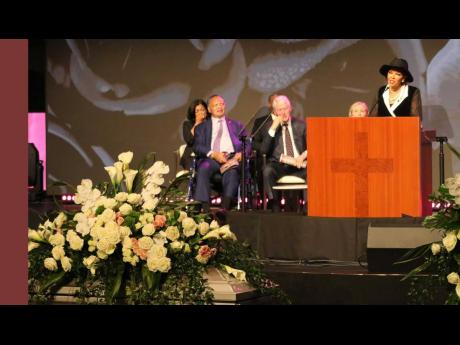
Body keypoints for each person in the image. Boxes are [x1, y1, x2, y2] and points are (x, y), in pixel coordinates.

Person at [193, 95, 251, 212]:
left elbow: (249, 143)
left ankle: (225, 208)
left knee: (233, 171)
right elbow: (197, 146)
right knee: (204, 167)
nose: (219, 107)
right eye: (216, 105)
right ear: (209, 109)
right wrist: (213, 154)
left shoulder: (236, 125)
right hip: (212, 159)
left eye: (221, 104)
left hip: (231, 158)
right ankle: (204, 208)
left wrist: (242, 154)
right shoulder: (201, 127)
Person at [260, 95, 307, 212]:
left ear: (290, 108)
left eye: (285, 108)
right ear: (275, 112)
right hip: (280, 166)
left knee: (316, 169)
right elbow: (263, 151)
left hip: (299, 166)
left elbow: (313, 145)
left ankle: (309, 206)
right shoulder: (268, 127)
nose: (283, 112)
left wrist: (303, 155)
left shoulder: (301, 125)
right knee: (267, 170)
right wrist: (274, 127)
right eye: (280, 110)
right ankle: (274, 205)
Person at [369, 58, 423, 122]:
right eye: (390, 73)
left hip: (404, 131)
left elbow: (415, 119)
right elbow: (372, 117)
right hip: (381, 130)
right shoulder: (381, 91)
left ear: (403, 79)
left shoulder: (412, 92)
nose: (392, 76)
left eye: (398, 74)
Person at [250, 93, 279, 200]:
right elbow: (253, 142)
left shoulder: (289, 121)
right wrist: (266, 148)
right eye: (275, 102)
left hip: (286, 158)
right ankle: (268, 201)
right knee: (262, 166)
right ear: (270, 104)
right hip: (266, 157)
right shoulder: (261, 122)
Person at [180, 99, 210, 171]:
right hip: (191, 156)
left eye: (202, 109)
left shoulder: (211, 124)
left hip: (207, 155)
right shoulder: (188, 124)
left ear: (206, 111)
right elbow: (189, 140)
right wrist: (197, 122)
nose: (200, 112)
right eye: (197, 111)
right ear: (193, 113)